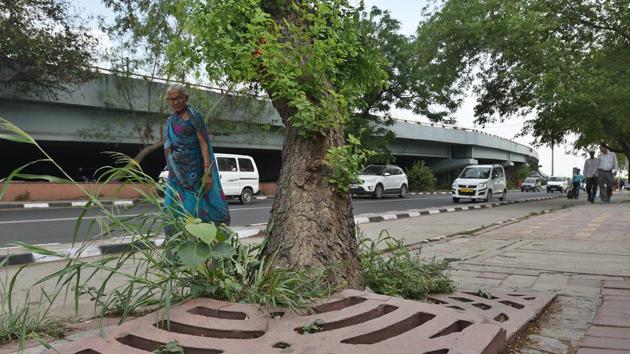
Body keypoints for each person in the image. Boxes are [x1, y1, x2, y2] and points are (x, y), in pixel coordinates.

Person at [163, 84, 230, 229]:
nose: (175, 102)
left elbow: (204, 143)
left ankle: (205, 237)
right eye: (171, 99)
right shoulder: (169, 121)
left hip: (195, 172)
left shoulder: (195, 117)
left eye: (178, 98)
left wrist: (207, 173)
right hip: (176, 174)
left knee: (196, 207)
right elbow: (168, 148)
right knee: (174, 207)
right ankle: (179, 240)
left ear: (186, 98)